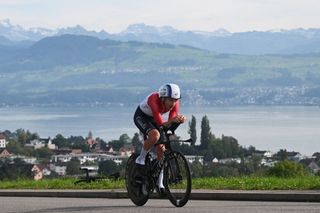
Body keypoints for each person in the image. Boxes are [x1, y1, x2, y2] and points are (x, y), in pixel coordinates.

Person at [133, 83, 187, 190]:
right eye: (170, 100)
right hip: (142, 117)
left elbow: (169, 123)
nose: (173, 103)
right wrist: (172, 120)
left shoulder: (175, 103)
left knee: (161, 149)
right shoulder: (154, 100)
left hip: (155, 118)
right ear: (162, 98)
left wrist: (179, 121)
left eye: (175, 100)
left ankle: (159, 182)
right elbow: (162, 123)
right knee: (155, 135)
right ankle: (141, 159)